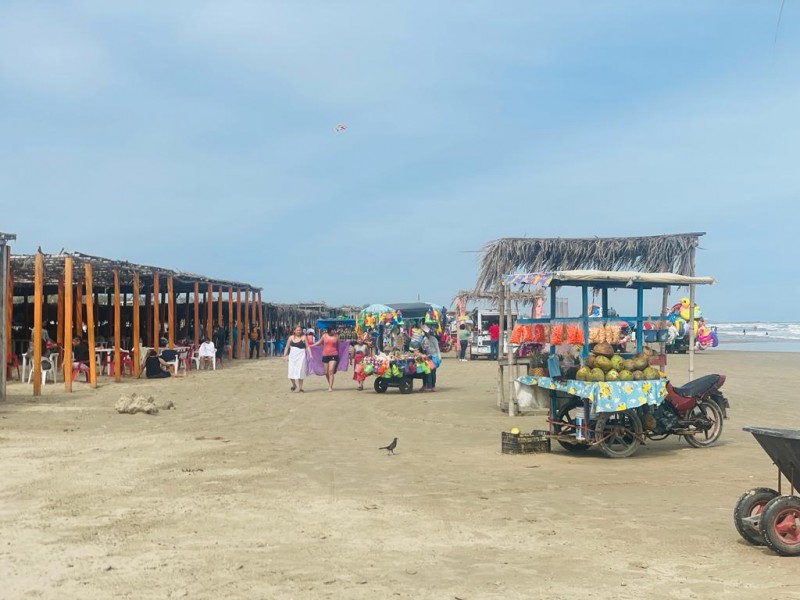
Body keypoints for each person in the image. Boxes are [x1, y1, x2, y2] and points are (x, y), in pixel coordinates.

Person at [283, 325, 311, 392]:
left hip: (301, 357)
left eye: (300, 330)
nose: (299, 331)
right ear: (294, 331)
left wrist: (310, 354)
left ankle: (300, 388)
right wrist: (284, 355)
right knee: (291, 372)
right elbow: (287, 347)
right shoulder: (291, 338)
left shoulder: (304, 337)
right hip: (292, 357)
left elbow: (307, 347)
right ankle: (294, 384)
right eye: (297, 330)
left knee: (300, 372)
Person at [313, 326, 340, 392]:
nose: (334, 331)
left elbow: (339, 345)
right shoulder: (324, 336)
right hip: (325, 355)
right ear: (329, 330)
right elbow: (319, 342)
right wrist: (311, 346)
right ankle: (330, 384)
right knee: (326, 372)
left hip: (334, 355)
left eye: (334, 330)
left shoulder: (336, 336)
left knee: (330, 371)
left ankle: (330, 387)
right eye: (333, 330)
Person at [421, 325, 441, 392]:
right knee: (425, 372)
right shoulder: (424, 339)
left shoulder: (433, 339)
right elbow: (423, 347)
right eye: (425, 332)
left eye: (427, 332)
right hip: (426, 357)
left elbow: (437, 349)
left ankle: (433, 386)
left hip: (433, 357)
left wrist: (439, 357)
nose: (426, 333)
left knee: (432, 372)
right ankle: (425, 385)